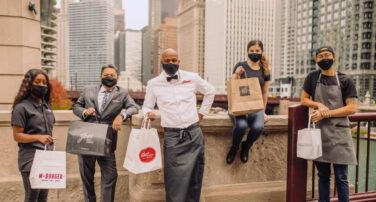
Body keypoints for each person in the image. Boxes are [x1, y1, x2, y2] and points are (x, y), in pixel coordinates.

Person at [143, 48, 215, 202]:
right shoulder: (153, 84)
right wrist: (148, 114)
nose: (171, 63)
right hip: (172, 137)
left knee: (195, 178)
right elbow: (146, 107)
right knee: (174, 180)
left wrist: (202, 113)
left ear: (179, 62)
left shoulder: (192, 77)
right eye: (167, 60)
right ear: (162, 62)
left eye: (174, 60)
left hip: (194, 134)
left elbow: (210, 91)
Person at [73, 64, 138, 202]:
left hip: (107, 141)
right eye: (106, 75)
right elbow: (76, 106)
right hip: (87, 139)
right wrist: (85, 112)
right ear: (100, 77)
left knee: (110, 176)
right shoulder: (88, 89)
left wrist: (122, 116)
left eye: (112, 75)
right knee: (86, 177)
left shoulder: (122, 93)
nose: (109, 77)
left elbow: (134, 107)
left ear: (117, 78)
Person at [301, 46, 357, 202]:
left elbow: (351, 108)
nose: (324, 58)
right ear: (316, 60)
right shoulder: (312, 77)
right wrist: (318, 104)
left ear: (334, 56)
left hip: (340, 133)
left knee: (341, 177)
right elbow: (304, 100)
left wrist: (326, 113)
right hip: (320, 133)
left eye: (327, 55)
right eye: (320, 56)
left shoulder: (346, 80)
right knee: (323, 176)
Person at [11, 69, 55, 202]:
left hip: (46, 158)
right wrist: (38, 137)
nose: (41, 85)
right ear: (29, 85)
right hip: (30, 159)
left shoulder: (47, 107)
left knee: (43, 198)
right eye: (37, 82)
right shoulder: (21, 108)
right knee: (32, 198)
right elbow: (17, 135)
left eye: (44, 82)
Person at [226, 40, 271, 164]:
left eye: (257, 51)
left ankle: (246, 146)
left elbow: (264, 93)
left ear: (262, 52)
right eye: (252, 51)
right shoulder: (240, 65)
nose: (254, 53)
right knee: (241, 125)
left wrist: (263, 111)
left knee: (258, 127)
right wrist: (236, 74)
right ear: (247, 52)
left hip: (255, 106)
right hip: (238, 105)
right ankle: (235, 147)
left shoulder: (265, 70)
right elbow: (232, 86)